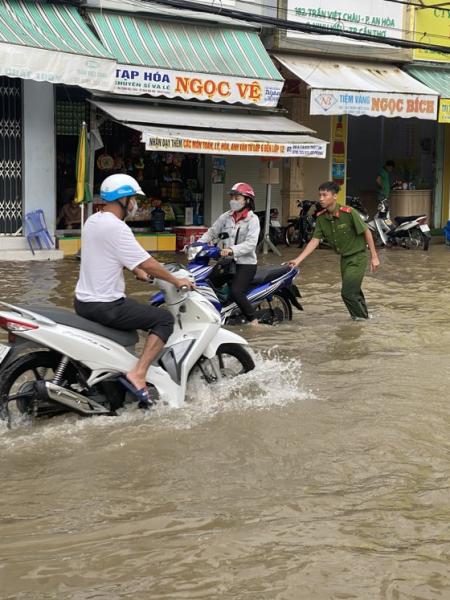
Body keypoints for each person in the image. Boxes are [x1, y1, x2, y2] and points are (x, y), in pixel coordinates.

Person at [74, 173, 193, 406]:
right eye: (133, 199)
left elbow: (109, 255)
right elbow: (149, 263)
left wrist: (135, 270)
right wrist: (176, 281)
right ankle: (138, 373)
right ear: (124, 199)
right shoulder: (117, 227)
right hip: (106, 304)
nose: (135, 204)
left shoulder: (93, 221)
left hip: (84, 302)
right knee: (162, 319)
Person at [288, 181, 380, 321]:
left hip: (358, 257)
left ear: (335, 196)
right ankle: (365, 318)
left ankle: (360, 322)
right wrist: (298, 260)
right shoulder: (321, 218)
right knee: (354, 291)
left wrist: (374, 256)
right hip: (344, 259)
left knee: (347, 293)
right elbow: (314, 241)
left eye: (325, 195)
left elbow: (366, 232)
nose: (321, 199)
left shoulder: (349, 213)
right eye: (320, 195)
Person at [198, 182, 260, 327]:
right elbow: (212, 232)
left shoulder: (253, 220)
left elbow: (251, 244)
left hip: (245, 264)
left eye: (237, 197)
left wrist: (232, 249)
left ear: (247, 200)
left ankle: (254, 321)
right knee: (207, 283)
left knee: (236, 292)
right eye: (232, 197)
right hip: (227, 262)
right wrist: (197, 245)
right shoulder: (226, 216)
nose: (233, 200)